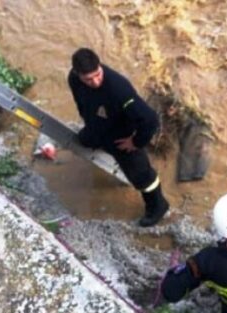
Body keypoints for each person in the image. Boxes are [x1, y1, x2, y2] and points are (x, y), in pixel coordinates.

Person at [68, 48, 169, 227]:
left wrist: (135, 142)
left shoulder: (118, 88)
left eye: (97, 75)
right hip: (97, 127)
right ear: (78, 74)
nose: (95, 82)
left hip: (121, 137)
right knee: (84, 140)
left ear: (100, 66)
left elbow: (150, 120)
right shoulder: (73, 79)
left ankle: (158, 206)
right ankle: (96, 139)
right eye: (88, 79)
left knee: (142, 177)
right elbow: (81, 103)